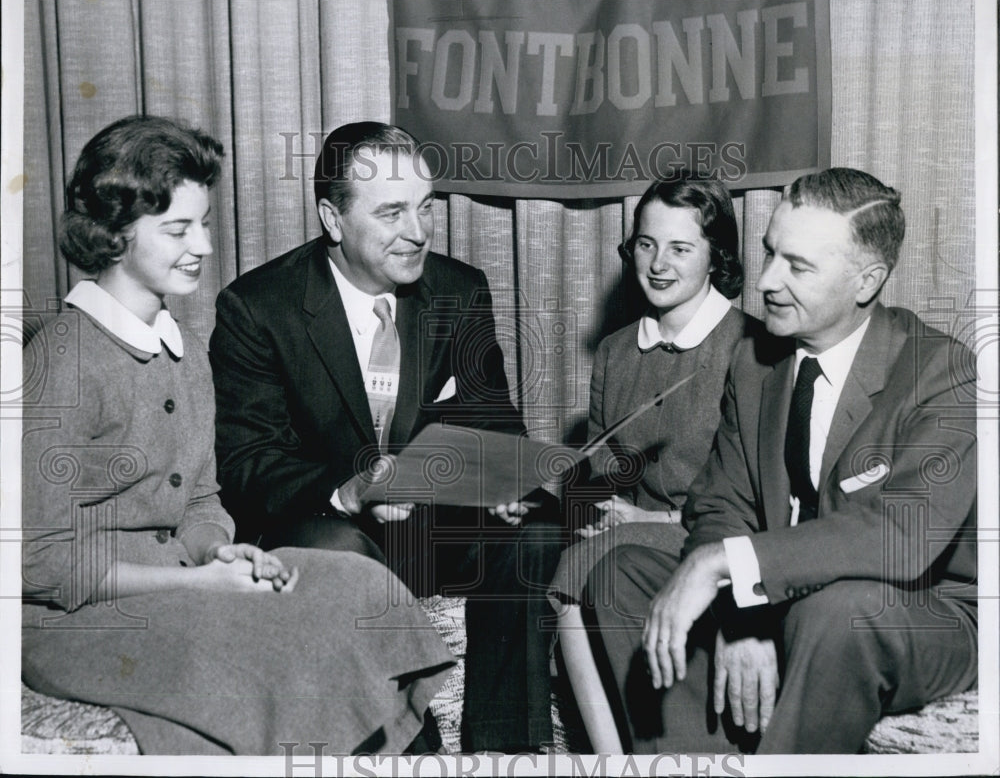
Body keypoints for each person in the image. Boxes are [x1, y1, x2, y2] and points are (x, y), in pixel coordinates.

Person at [20, 115, 455, 756]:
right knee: (279, 646)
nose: (203, 245)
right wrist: (195, 583)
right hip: (76, 620)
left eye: (203, 223)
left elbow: (200, 500)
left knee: (358, 586)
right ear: (111, 237)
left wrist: (219, 552)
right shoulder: (62, 361)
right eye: (177, 229)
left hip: (180, 584)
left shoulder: (186, 350)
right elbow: (39, 562)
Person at [585, 168, 978, 753]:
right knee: (621, 577)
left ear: (866, 281)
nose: (766, 281)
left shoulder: (944, 373)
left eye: (797, 266)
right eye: (769, 253)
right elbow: (721, 502)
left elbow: (902, 536)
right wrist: (743, 616)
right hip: (792, 592)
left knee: (838, 613)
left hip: (923, 612)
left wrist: (725, 567)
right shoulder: (757, 362)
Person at [209, 121, 564, 753]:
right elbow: (247, 465)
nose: (419, 232)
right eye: (393, 212)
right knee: (340, 549)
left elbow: (495, 422)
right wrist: (345, 492)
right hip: (329, 529)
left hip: (429, 532)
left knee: (534, 527)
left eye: (425, 207)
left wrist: (507, 482)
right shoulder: (256, 308)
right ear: (333, 219)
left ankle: (504, 750)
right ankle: (412, 752)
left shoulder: (461, 290)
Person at [547, 175, 760, 752]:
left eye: (681, 248)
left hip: (713, 538)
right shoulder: (616, 351)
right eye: (645, 244)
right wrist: (576, 495)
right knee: (564, 556)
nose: (658, 263)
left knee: (575, 568)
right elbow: (599, 474)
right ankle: (609, 757)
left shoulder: (752, 348)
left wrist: (648, 523)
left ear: (718, 257)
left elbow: (759, 501)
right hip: (628, 539)